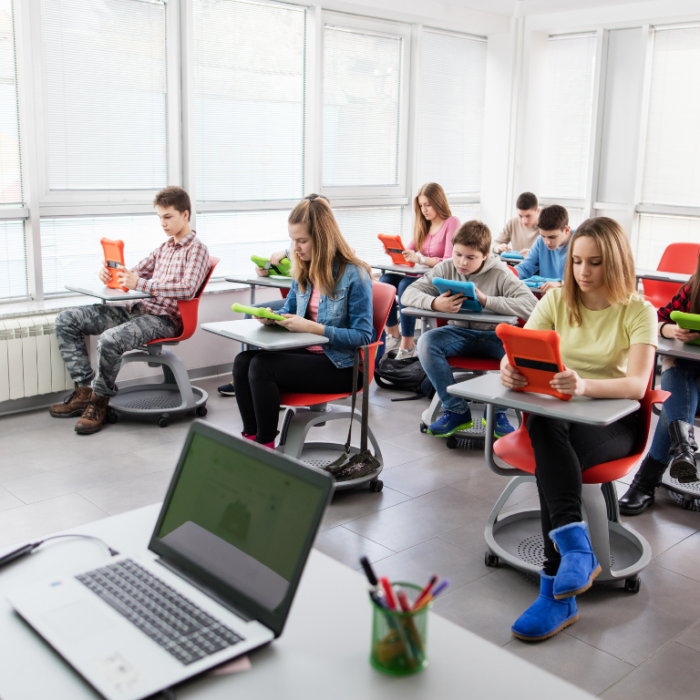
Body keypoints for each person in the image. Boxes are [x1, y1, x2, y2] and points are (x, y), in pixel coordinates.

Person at [503, 218, 656, 642]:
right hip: (558, 417)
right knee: (548, 428)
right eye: (576, 261)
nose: (583, 272)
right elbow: (520, 349)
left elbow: (637, 385)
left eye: (596, 263)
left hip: (615, 423)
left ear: (618, 263)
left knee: (553, 457)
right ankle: (574, 549)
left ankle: (557, 592)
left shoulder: (640, 310)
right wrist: (508, 369)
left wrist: (583, 384)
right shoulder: (555, 301)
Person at [50, 186, 210, 435]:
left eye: (168, 217)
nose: (163, 223)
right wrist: (110, 275)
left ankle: (99, 401)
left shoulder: (197, 250)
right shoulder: (163, 248)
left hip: (164, 319)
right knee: (66, 320)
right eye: (159, 217)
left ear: (185, 215)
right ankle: (84, 391)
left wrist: (141, 284)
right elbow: (130, 275)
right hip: (138, 310)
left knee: (110, 339)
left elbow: (188, 289)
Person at [233, 194, 373, 448]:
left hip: (342, 366)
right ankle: (251, 438)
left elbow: (364, 337)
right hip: (310, 354)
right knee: (243, 361)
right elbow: (289, 311)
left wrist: (315, 328)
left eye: (302, 241)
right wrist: (272, 319)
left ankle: (264, 445)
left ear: (321, 239)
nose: (294, 248)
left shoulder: (355, 274)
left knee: (261, 366)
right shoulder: (303, 268)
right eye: (293, 240)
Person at [402, 220, 537, 439]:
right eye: (458, 254)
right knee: (426, 342)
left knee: (522, 353)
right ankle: (456, 410)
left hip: (496, 336)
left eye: (470, 257)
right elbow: (409, 293)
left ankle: (498, 412)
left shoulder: (501, 273)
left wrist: (487, 301)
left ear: (485, 255)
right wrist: (435, 303)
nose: (462, 262)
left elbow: (532, 306)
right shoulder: (445, 267)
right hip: (458, 334)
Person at [618, 254, 700, 514]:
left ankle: (645, 483)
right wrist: (671, 330)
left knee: (673, 398)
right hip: (687, 382)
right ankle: (682, 450)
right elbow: (656, 318)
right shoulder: (693, 287)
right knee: (673, 370)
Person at [380, 183, 460, 360]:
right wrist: (394, 251)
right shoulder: (423, 225)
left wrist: (421, 259)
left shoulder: (451, 223)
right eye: (421, 205)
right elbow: (406, 252)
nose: (424, 210)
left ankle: (408, 345)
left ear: (439, 202)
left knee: (404, 285)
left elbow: (448, 261)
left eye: (428, 205)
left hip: (437, 279)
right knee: (384, 281)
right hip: (419, 277)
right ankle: (393, 333)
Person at [217, 247, 291, 397]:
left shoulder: (316, 243)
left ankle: (262, 380)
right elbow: (291, 271)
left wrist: (288, 252)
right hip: (298, 296)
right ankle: (248, 377)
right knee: (252, 311)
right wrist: (267, 270)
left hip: (314, 300)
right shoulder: (300, 245)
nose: (297, 243)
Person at [514, 205, 571, 292]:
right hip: (546, 298)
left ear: (566, 230)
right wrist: (507, 274)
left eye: (552, 237)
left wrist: (562, 284)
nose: (547, 242)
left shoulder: (579, 242)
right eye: (543, 236)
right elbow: (525, 267)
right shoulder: (540, 241)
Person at [493, 192, 541, 257]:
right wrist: (498, 247)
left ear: (537, 211)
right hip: (515, 264)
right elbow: (495, 244)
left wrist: (533, 253)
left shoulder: (545, 226)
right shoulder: (513, 222)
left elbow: (551, 253)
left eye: (528, 216)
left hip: (535, 265)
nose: (524, 221)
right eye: (520, 216)